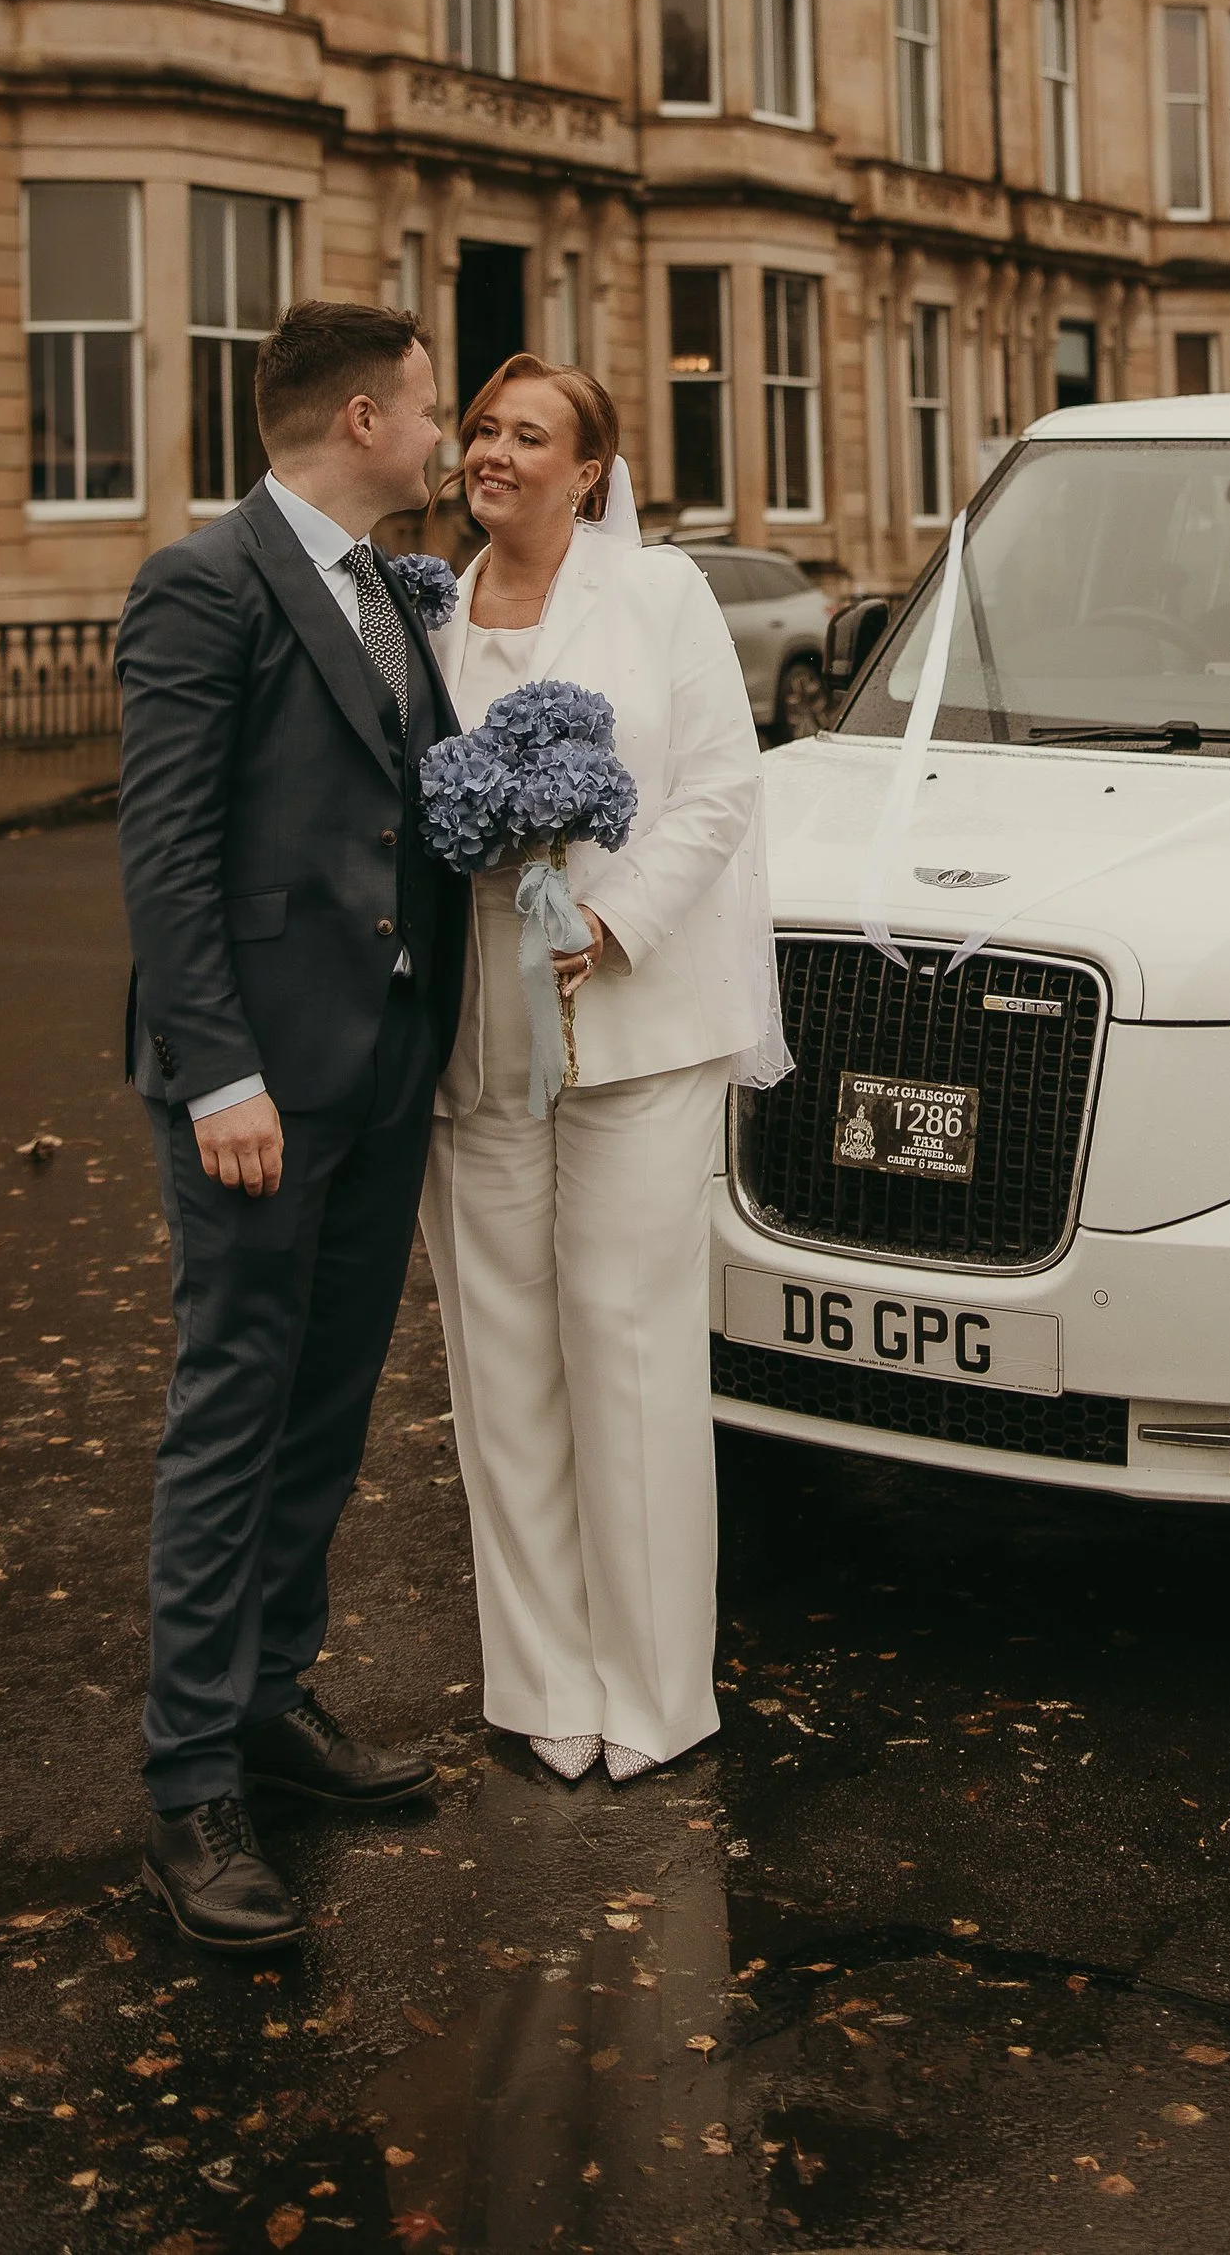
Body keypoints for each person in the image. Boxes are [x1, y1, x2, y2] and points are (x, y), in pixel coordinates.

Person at [115, 301, 468, 1951]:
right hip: (259, 1080)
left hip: (391, 1056)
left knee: (329, 1399)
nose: (446, 430)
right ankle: (190, 1777)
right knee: (234, 1406)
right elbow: (169, 852)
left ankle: (270, 1696)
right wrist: (218, 1073)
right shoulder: (205, 581)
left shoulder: (397, 588)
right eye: (427, 405)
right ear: (354, 417)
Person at [421, 354, 781, 1787]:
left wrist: (614, 924)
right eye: (485, 427)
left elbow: (721, 785)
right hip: (475, 1028)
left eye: (529, 434)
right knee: (498, 1348)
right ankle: (541, 1678)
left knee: (625, 1341)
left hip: (637, 1015)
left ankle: (652, 1689)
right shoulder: (431, 613)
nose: (495, 450)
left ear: (589, 470)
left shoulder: (660, 596)